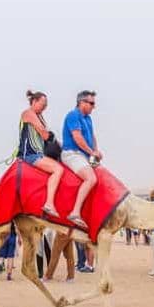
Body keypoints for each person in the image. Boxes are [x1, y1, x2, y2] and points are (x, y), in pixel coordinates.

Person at [18, 90, 64, 217]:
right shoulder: (28, 113)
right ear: (34, 101)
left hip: (39, 153)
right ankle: (49, 203)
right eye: (43, 104)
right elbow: (44, 134)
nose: (45, 107)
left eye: (46, 105)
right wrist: (52, 138)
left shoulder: (39, 116)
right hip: (31, 154)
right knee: (58, 169)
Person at [60, 90, 101, 229]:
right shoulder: (73, 116)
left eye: (94, 104)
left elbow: (92, 136)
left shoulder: (88, 118)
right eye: (91, 103)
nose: (93, 106)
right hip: (72, 154)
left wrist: (96, 150)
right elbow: (77, 137)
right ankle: (75, 212)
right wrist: (92, 153)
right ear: (81, 102)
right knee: (91, 179)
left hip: (84, 155)